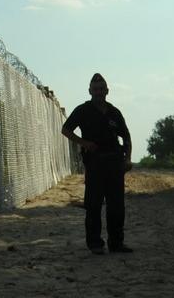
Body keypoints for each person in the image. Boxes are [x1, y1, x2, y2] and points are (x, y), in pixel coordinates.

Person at [61, 73, 133, 255]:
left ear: (107, 91)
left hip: (114, 164)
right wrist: (84, 143)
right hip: (95, 164)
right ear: (90, 91)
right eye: (95, 90)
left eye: (102, 89)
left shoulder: (114, 112)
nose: (99, 92)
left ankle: (116, 243)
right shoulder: (83, 110)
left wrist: (127, 159)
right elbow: (66, 129)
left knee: (116, 206)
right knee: (93, 205)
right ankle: (95, 244)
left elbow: (126, 137)